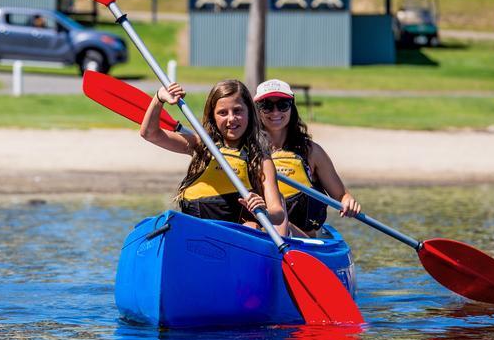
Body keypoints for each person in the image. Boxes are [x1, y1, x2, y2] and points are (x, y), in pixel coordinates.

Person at [141, 79, 288, 235]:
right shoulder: (200, 146)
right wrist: (159, 98)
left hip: (235, 240)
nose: (231, 118)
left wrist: (264, 211)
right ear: (213, 116)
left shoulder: (260, 160)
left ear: (249, 113)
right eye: (223, 113)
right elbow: (150, 133)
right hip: (195, 235)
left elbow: (278, 214)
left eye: (237, 111)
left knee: (251, 227)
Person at [254, 78, 360, 236]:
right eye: (267, 106)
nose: (275, 112)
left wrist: (348, 201)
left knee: (282, 225)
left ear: (292, 108)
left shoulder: (312, 152)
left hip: (304, 241)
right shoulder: (250, 153)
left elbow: (341, 195)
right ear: (257, 110)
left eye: (283, 105)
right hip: (263, 236)